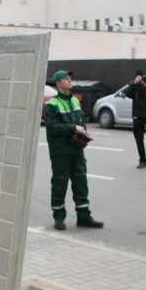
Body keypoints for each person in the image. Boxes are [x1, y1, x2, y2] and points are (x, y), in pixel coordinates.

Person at [43, 69, 104, 231]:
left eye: (70, 78)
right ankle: (59, 217)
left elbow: (81, 120)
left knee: (81, 183)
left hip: (77, 150)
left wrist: (83, 130)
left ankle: (84, 217)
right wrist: (73, 127)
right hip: (60, 152)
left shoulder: (75, 101)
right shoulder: (51, 104)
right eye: (65, 79)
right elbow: (52, 127)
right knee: (59, 184)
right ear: (58, 83)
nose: (69, 81)